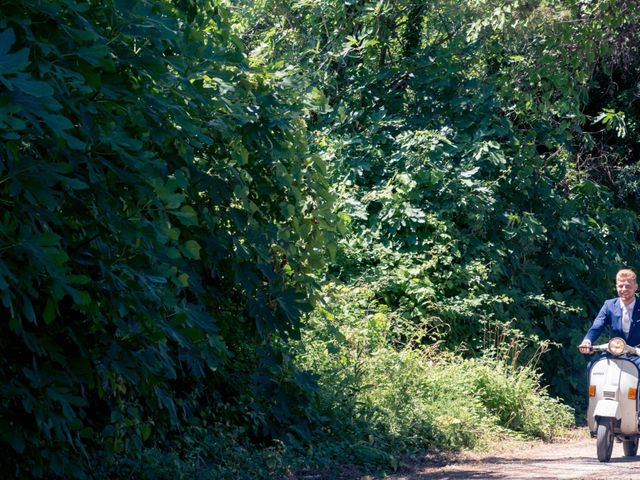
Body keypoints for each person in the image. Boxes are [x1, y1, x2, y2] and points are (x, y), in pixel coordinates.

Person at [578, 268, 640, 353]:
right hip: (614, 352)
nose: (624, 289)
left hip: (637, 354)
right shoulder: (609, 305)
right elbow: (597, 326)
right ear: (616, 287)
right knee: (592, 365)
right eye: (621, 286)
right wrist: (587, 341)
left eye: (628, 286)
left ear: (636, 287)